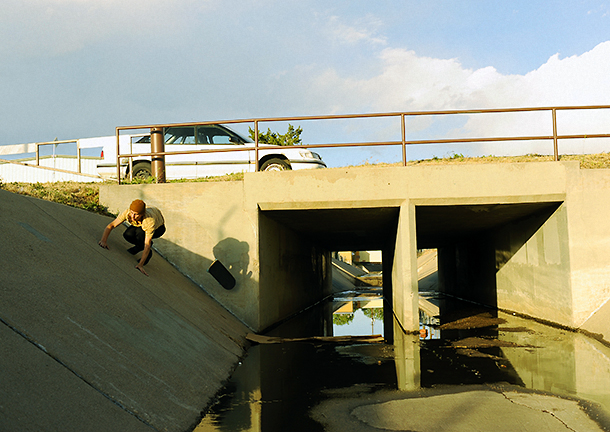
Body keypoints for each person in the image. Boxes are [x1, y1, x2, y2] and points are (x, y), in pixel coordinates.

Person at [98, 199, 166, 276]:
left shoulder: (149, 221)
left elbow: (147, 244)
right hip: (140, 223)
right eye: (132, 213)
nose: (133, 216)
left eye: (136, 214)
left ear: (142, 214)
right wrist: (103, 241)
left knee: (140, 234)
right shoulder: (127, 213)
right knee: (128, 234)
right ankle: (139, 246)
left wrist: (140, 265)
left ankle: (147, 253)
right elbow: (112, 225)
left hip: (159, 228)